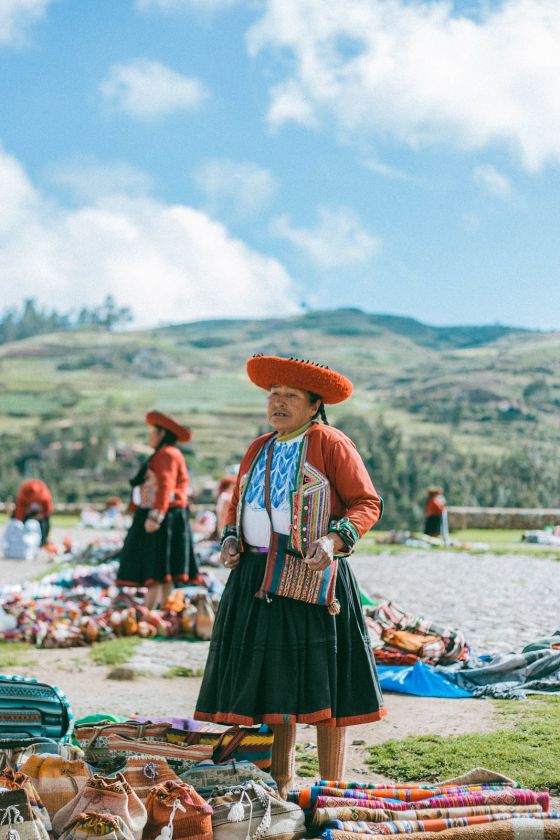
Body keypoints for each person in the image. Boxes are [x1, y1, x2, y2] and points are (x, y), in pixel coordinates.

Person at [195, 355, 386, 797]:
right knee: (276, 679)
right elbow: (237, 503)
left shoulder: (331, 443)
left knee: (324, 680)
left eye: (290, 397)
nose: (277, 404)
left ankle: (330, 785)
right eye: (273, 396)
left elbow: (366, 503)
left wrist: (334, 541)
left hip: (313, 574)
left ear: (315, 404)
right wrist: (229, 537)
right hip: (257, 575)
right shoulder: (257, 448)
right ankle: (281, 781)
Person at [116, 410, 198, 609]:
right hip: (168, 516)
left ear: (162, 434)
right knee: (165, 569)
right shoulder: (168, 454)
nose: (149, 436)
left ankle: (151, 610)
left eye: (153, 432)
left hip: (163, 517)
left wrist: (155, 516)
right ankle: (161, 610)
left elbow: (165, 486)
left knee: (157, 567)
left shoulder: (166, 454)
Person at [14, 479, 54, 546]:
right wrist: (19, 522)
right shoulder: (24, 493)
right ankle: (21, 540)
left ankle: (43, 542)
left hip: (41, 514)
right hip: (27, 512)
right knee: (20, 523)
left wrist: (40, 516)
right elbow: (19, 511)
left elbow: (48, 510)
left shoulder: (45, 496)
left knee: (45, 523)